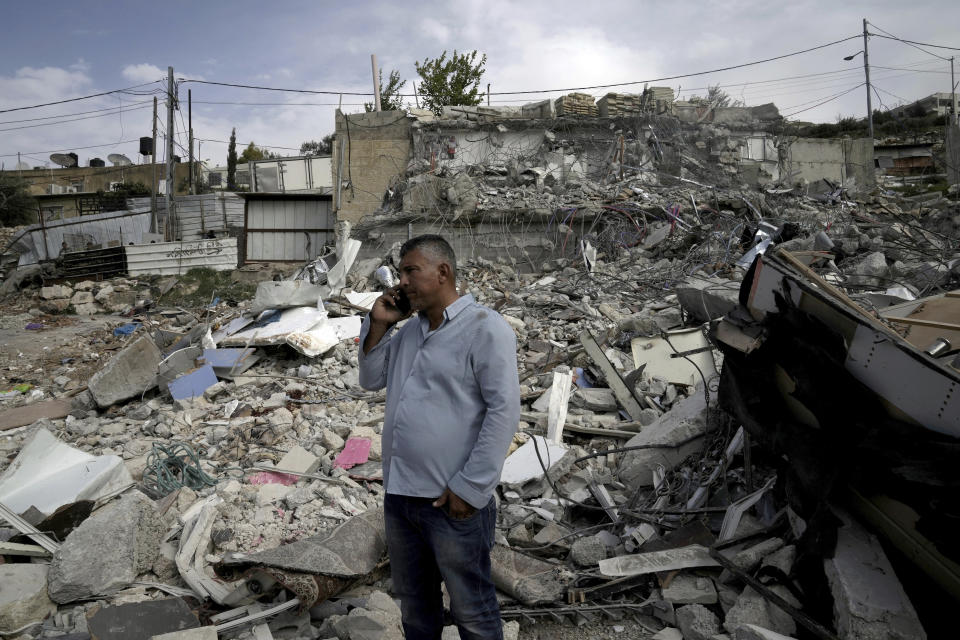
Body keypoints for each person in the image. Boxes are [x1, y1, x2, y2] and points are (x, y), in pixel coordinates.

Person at [359, 235, 520, 640]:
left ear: (443, 272)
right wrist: (378, 323)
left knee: (472, 612)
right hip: (401, 498)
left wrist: (471, 487)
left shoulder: (485, 328)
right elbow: (370, 378)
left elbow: (504, 411)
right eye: (400, 274)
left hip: (453, 501)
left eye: (411, 271)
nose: (402, 282)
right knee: (416, 610)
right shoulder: (410, 332)